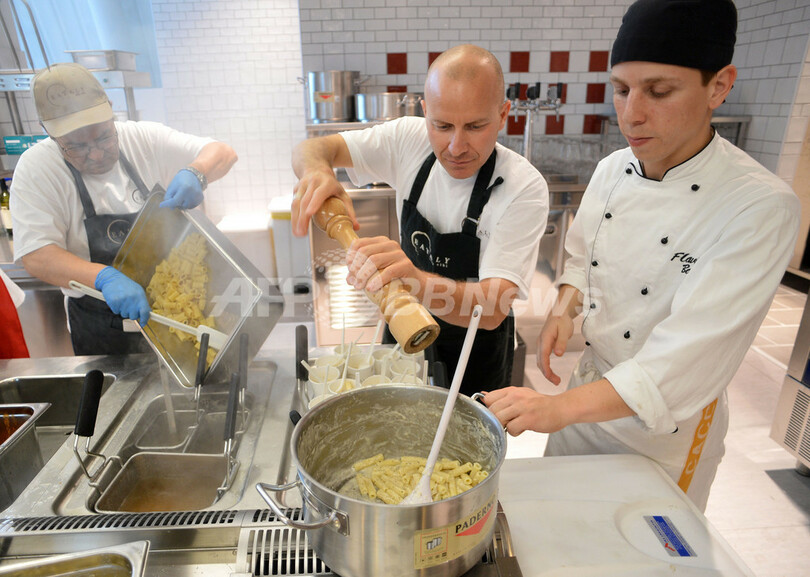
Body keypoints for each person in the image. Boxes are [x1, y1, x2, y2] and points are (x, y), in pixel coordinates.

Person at [482, 0, 801, 512]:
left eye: (658, 91)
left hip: (663, 433)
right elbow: (582, 255)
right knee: (559, 522)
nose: (631, 113)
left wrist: (555, 408)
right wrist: (565, 306)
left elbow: (683, 361)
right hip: (585, 399)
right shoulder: (613, 168)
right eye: (621, 89)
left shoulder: (759, 206)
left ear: (719, 86)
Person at [291, 45, 548, 396]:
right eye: (442, 126)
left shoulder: (524, 187)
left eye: (475, 126)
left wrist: (414, 280)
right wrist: (316, 170)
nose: (456, 146)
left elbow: (493, 307)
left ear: (503, 115)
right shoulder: (408, 140)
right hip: (403, 329)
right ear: (425, 112)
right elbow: (311, 148)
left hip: (476, 353)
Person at [10, 63, 238, 356]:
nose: (95, 153)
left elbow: (223, 153)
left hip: (180, 316)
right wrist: (104, 277)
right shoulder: (36, 169)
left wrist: (198, 172)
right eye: (76, 146)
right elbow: (36, 256)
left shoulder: (143, 138)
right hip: (99, 329)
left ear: (111, 111)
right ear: (50, 134)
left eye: (104, 137)